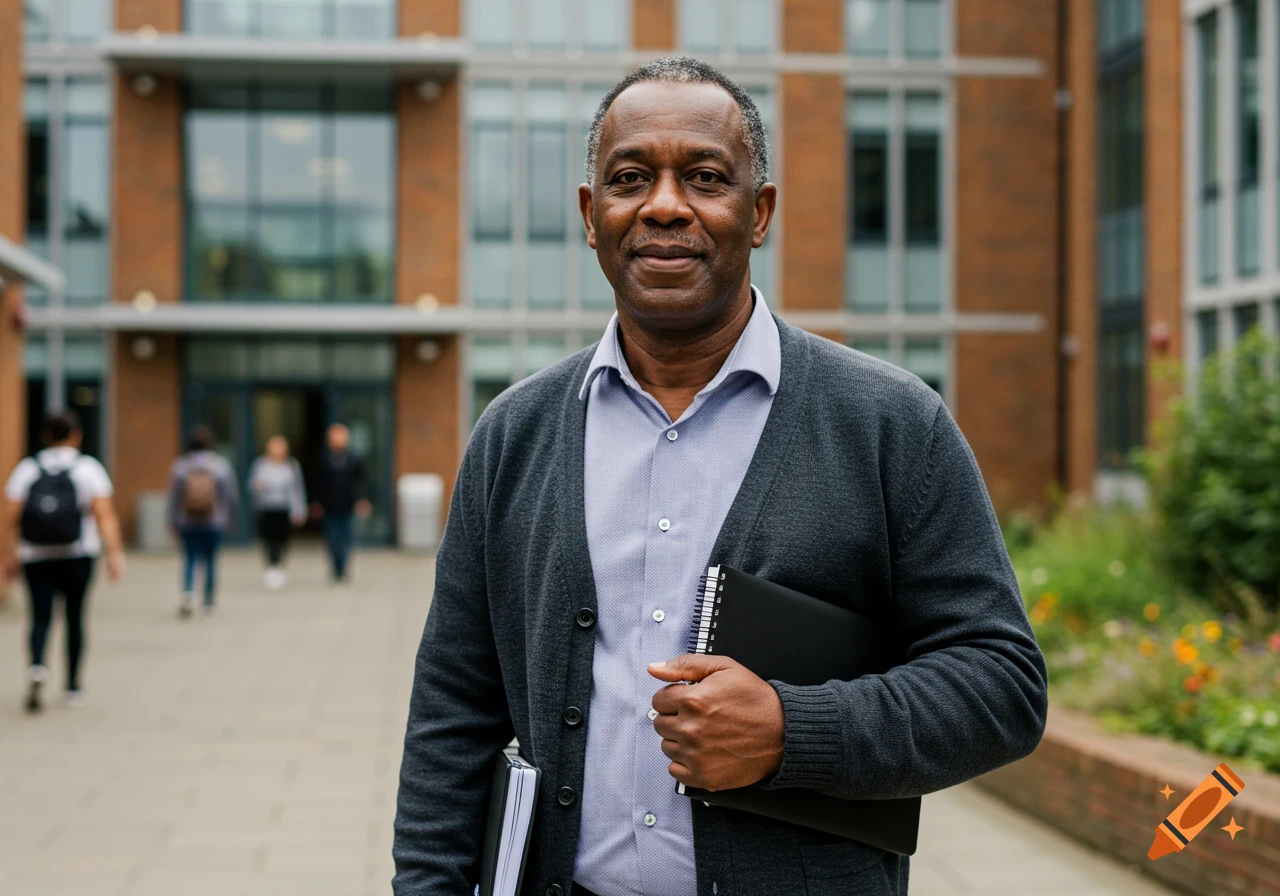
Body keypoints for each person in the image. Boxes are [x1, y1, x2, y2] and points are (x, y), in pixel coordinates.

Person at [392, 58, 1048, 896]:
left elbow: (1001, 685)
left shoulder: (891, 425)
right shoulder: (514, 436)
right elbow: (452, 715)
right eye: (631, 178)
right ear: (593, 216)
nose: (665, 206)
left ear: (759, 211)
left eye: (705, 177)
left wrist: (792, 730)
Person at [1, 410, 125, 712]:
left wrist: (7, 554)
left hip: (35, 555)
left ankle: (37, 666)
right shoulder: (88, 468)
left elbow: (10, 515)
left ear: (45, 437)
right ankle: (72, 685)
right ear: (76, 436)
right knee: (75, 618)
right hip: (78, 554)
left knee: (39, 617)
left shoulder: (28, 469)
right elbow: (103, 514)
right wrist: (115, 553)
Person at [167, 426, 238, 618]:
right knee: (211, 560)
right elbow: (230, 495)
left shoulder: (180, 466)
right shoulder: (221, 466)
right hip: (214, 521)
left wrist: (172, 521)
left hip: (187, 521)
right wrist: (230, 517)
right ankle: (208, 602)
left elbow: (174, 498)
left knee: (190, 558)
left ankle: (188, 593)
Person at [311, 423, 370, 583]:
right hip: (329, 506)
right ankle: (335, 566)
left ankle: (343, 567)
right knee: (332, 538)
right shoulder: (323, 459)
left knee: (347, 538)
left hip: (348, 505)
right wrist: (316, 503)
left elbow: (361, 482)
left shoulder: (354, 459)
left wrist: (362, 500)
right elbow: (318, 482)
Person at [248, 435, 306, 591]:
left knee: (282, 540)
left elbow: (297, 489)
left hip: (283, 509)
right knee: (268, 539)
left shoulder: (291, 466)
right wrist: (258, 486)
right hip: (266, 508)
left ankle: (279, 567)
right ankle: (270, 567)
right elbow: (251, 484)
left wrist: (299, 510)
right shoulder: (261, 464)